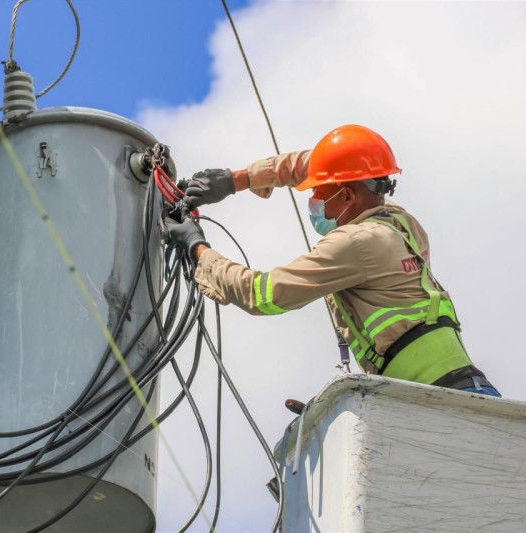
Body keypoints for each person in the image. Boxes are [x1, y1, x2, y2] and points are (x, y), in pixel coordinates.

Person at [163, 124, 500, 397]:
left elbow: (263, 294)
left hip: (435, 401)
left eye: (318, 192)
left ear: (348, 196)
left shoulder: (355, 243)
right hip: (464, 391)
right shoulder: (400, 223)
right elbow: (318, 164)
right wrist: (237, 179)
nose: (313, 198)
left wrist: (197, 247)